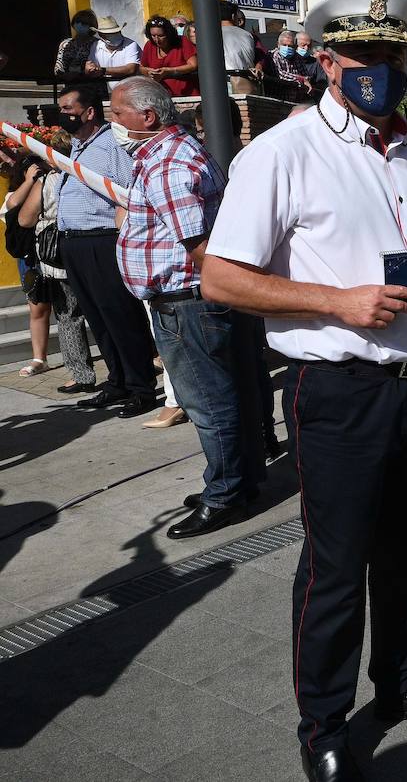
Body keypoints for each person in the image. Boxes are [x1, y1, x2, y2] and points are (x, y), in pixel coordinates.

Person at [201, 0, 407, 782]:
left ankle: (402, 679)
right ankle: (322, 724)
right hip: (338, 389)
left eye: (392, 55)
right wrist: (337, 300)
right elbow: (220, 277)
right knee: (337, 566)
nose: (379, 69)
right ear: (325, 60)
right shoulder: (282, 154)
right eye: (362, 55)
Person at [111, 76, 265, 537]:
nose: (112, 121)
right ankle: (238, 481)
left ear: (148, 117)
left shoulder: (168, 165)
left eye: (118, 113)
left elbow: (198, 246)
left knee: (209, 402)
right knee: (230, 394)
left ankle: (225, 496)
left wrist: (224, 289)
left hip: (188, 302)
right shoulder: (174, 152)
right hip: (194, 300)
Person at [55, 83, 160, 416]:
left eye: (68, 108)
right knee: (97, 318)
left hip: (102, 239)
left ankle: (142, 388)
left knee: (119, 314)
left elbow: (129, 189)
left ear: (88, 112)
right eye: (61, 109)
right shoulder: (75, 147)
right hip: (74, 242)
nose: (63, 115)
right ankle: (117, 382)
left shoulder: (110, 144)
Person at [7, 151, 98, 390]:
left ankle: (81, 374)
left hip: (58, 259)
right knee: (97, 311)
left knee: (69, 315)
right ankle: (131, 370)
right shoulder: (87, 175)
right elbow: (12, 207)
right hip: (81, 252)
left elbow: (24, 218)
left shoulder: (50, 182)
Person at [138, 15, 199, 97]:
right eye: (153, 36)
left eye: (161, 36)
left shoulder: (182, 41)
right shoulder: (149, 45)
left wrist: (168, 71)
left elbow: (193, 65)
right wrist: (150, 72)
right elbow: (142, 67)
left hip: (186, 94)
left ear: (169, 33)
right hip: (160, 94)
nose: (157, 40)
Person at [86, 16, 142, 91]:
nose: (114, 35)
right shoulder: (96, 46)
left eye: (116, 32)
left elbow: (130, 69)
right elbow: (91, 67)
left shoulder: (131, 45)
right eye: (110, 34)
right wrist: (90, 68)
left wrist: (103, 70)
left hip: (132, 91)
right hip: (109, 91)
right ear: (101, 35)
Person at [219, 0, 262, 94]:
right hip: (248, 82)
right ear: (234, 16)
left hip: (226, 82)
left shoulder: (214, 34)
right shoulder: (248, 35)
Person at [54, 9, 98, 83]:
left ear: (91, 26)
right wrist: (64, 75)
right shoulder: (65, 43)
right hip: (70, 84)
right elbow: (58, 67)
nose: (80, 25)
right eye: (77, 22)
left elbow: (98, 67)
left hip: (92, 84)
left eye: (84, 23)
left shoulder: (97, 43)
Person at [268, 29, 313, 102]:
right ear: (278, 45)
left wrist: (306, 79)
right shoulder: (274, 55)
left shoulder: (297, 57)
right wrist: (301, 79)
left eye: (290, 46)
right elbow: (281, 74)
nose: (287, 48)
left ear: (295, 47)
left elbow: (305, 73)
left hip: (298, 97)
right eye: (284, 45)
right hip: (281, 97)